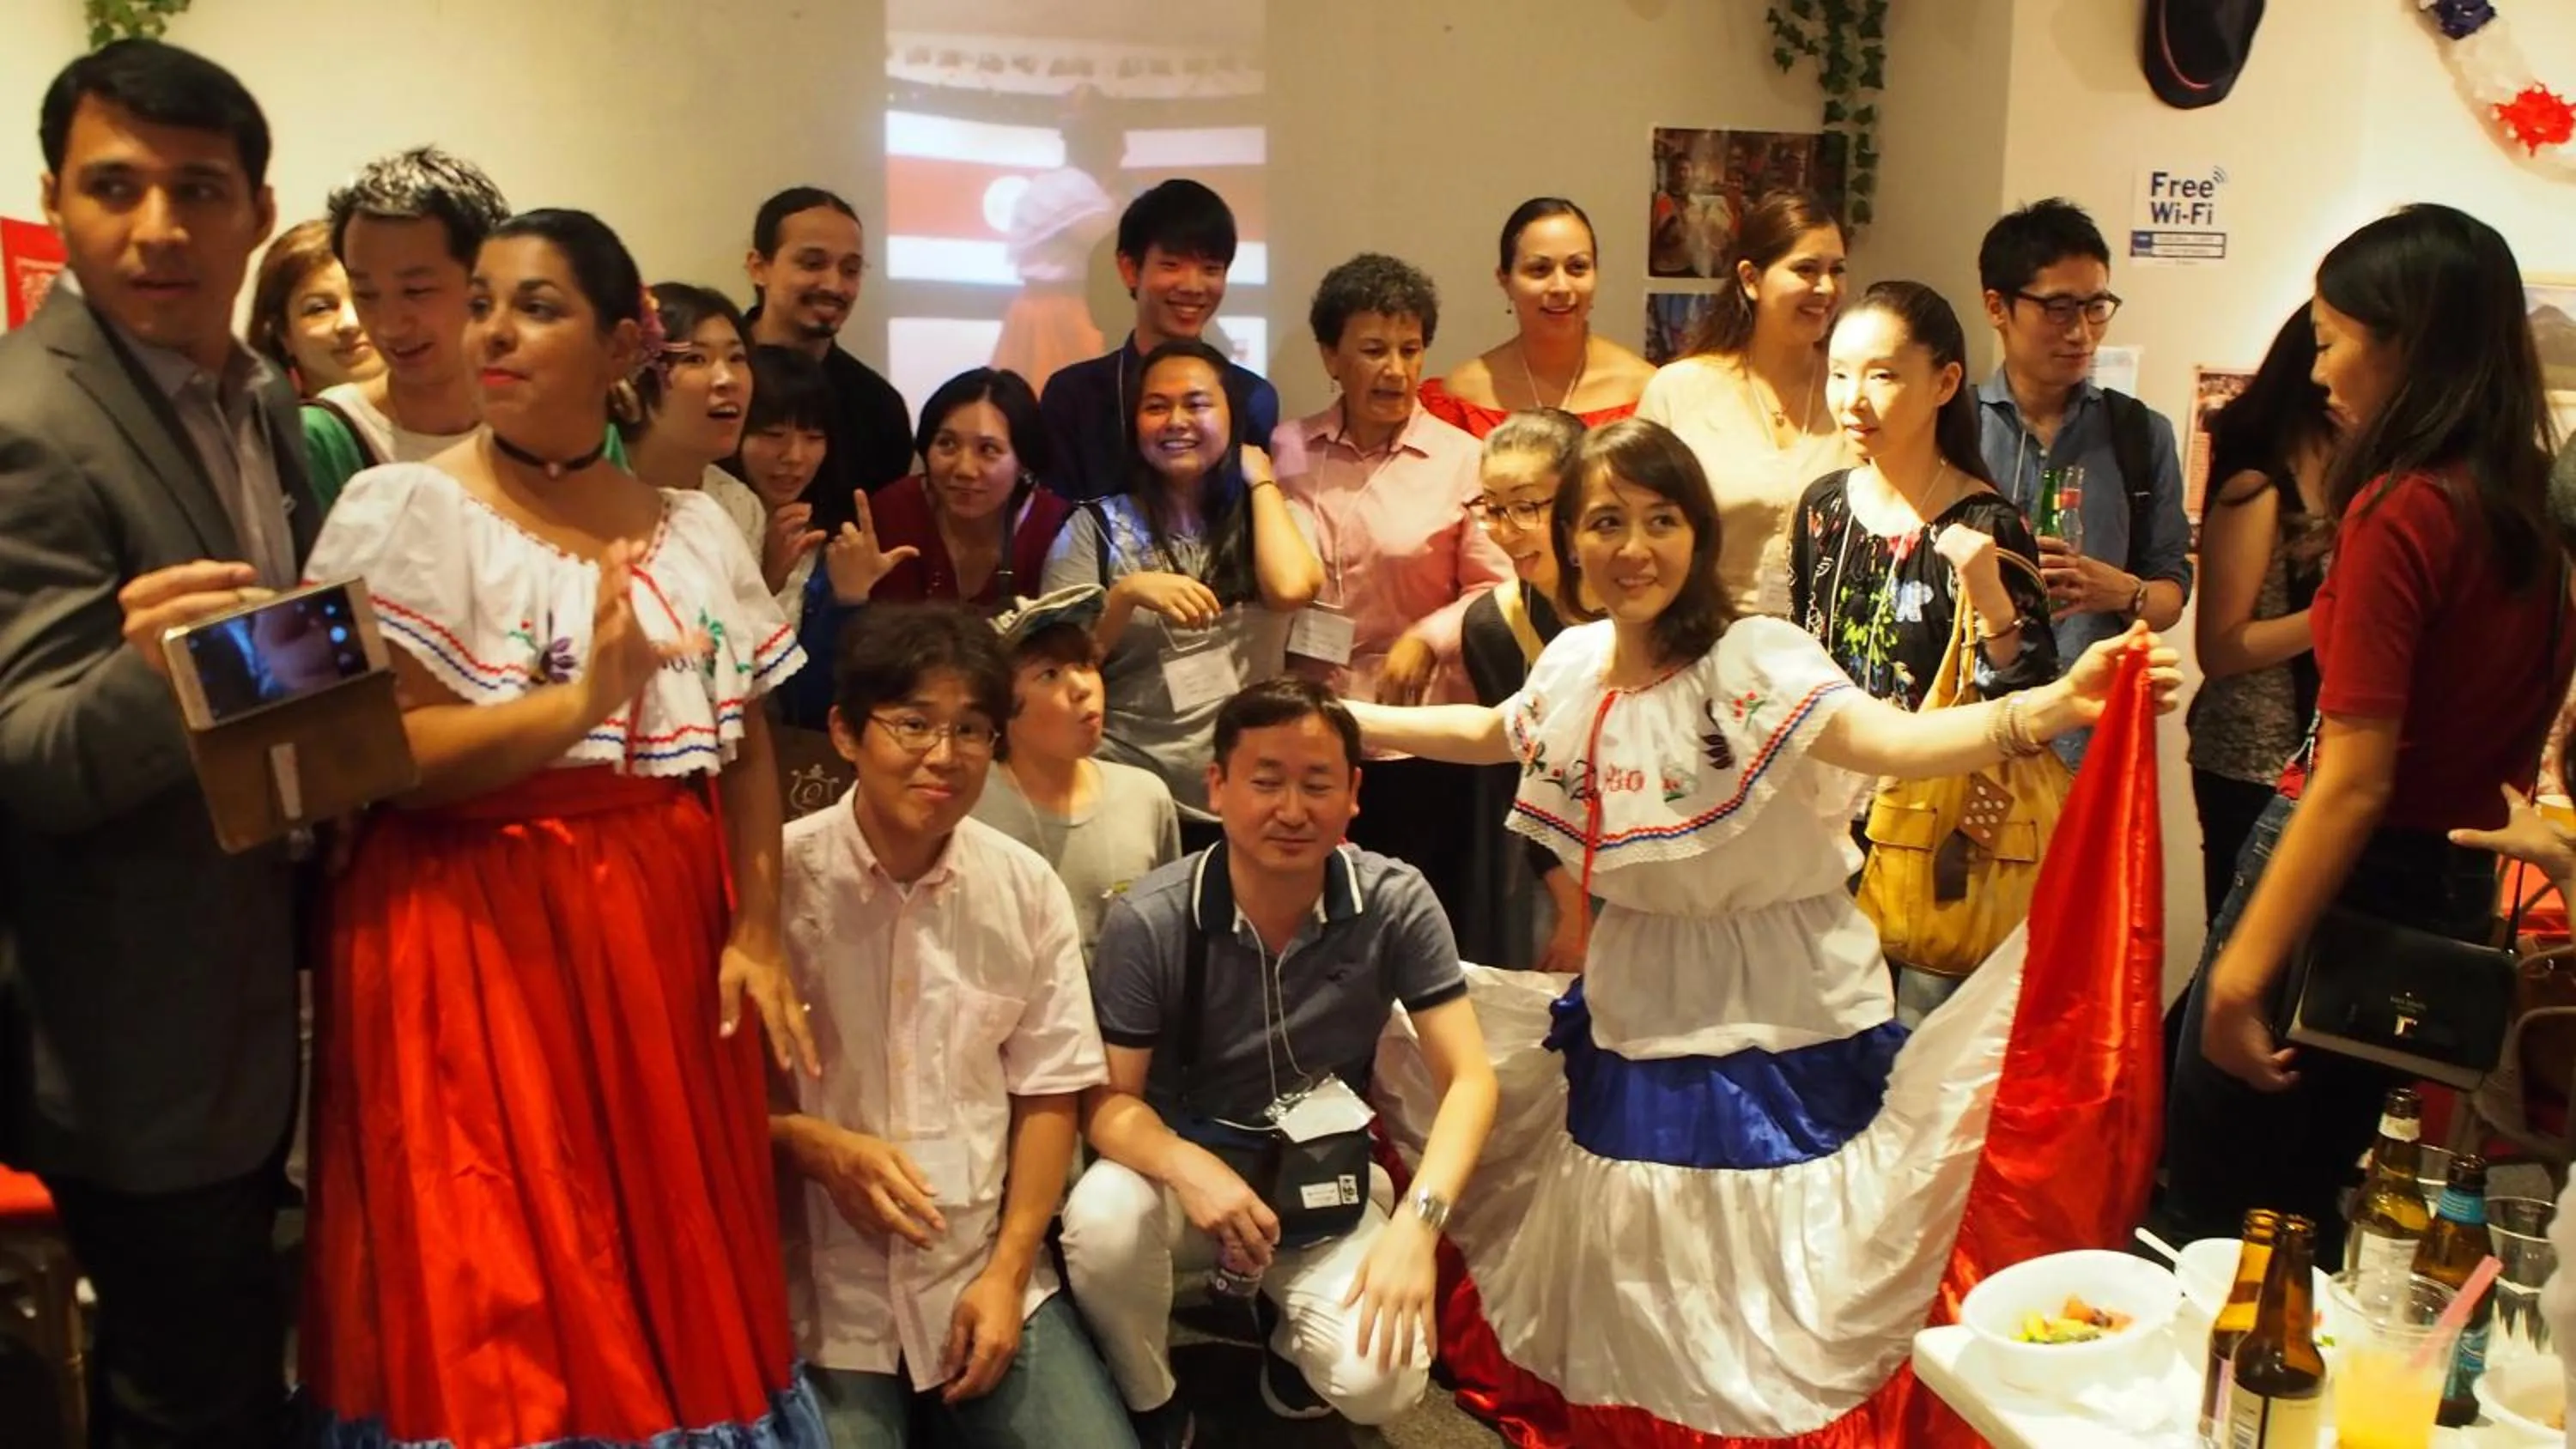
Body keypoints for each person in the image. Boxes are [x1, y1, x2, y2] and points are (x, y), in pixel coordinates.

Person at [1345, 417, 2181, 1444]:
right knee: (1647, 1222)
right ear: (1570, 542)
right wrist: (1356, 721)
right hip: (1641, 988)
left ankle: (1758, 1416)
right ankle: (1658, 1409)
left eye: (1660, 518)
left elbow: (1889, 739)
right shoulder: (1573, 663)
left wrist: (2046, 705)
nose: (1634, 546)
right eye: (1605, 521)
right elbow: (1491, 730)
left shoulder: (1754, 656)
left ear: (1697, 533)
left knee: (1790, 1233)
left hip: (1787, 998)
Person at [295, 208, 825, 1446]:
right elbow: (391, 765)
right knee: (493, 1256)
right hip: (461, 920)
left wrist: (755, 926)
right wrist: (575, 701)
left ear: (623, 341)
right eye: (483, 301)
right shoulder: (404, 512)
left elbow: (742, 741)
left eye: (536, 307)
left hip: (655, 915)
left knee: (659, 1234)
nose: (493, 331)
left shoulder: (694, 524)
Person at [0, 39, 313, 1443]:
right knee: (185, 1400)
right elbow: (31, 756)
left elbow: (273, 663)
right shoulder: (28, 423)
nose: (159, 228)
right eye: (113, 187)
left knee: (248, 1366)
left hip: (270, 976)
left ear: (255, 208)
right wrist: (155, 677)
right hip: (138, 1024)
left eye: (198, 189)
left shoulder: (253, 400)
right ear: (55, 199)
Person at [2164, 204, 2576, 1251]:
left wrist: (2242, 977)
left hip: (2342, 877)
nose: (2319, 366)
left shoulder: (2402, 504)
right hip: (2453, 886)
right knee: (2329, 1187)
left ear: (2405, 344)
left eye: (2336, 337)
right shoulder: (2526, 497)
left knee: (2216, 1203)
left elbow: (2353, 777)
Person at [1060, 677, 1499, 1447]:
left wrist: (1418, 1231)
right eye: (1265, 781)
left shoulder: (1395, 901)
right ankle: (1152, 1393)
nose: (1292, 810)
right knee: (1100, 1221)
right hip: (1187, 1185)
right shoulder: (1153, 919)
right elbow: (1107, 1104)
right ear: (1218, 787)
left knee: (1383, 1377)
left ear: (1354, 793)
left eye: (1316, 783)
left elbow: (1470, 1079)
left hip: (1322, 1181)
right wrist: (1189, 1167)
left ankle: (1292, 1356)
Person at [770, 603, 1136, 1448]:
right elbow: (701, 1096)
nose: (944, 754)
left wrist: (1009, 1273)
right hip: (823, 1297)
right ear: (844, 732)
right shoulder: (778, 882)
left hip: (977, 1271)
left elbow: (1048, 1091)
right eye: (913, 723)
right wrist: (803, 1140)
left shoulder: (1022, 887)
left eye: (971, 727)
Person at [1271, 252, 1511, 955]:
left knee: (1414, 931)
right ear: (1330, 356)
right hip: (1311, 725)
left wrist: (1429, 636)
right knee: (1317, 934)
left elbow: (1497, 590)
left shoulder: (1465, 460)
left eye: (1411, 350)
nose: (1397, 370)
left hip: (1420, 736)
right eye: (1374, 350)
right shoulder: (1288, 448)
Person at [1040, 338, 1322, 842]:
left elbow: (1290, 587)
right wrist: (1126, 595)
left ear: (1232, 416)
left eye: (1196, 404)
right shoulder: (1093, 527)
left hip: (1254, 797)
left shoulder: (1274, 513)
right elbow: (1057, 672)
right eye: (1156, 407)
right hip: (1126, 792)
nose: (1175, 421)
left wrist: (1260, 481)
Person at [1974, 197, 2194, 764]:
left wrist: (2124, 592)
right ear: (1997, 306)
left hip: (2094, 742)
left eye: (2096, 307)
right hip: (1970, 732)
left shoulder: (2140, 435)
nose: (2081, 333)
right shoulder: (1952, 430)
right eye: (2058, 308)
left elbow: (2170, 587)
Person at [1791, 280, 2055, 713]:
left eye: (1882, 376)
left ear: (1945, 383)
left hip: (1936, 776)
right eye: (1839, 374)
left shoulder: (1986, 524)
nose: (1852, 399)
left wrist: (1991, 601)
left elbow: (2026, 707)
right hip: (1830, 772)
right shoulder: (1824, 506)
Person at [780, 368, 1072, 731]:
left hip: (1016, 727)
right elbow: (841, 677)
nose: (964, 469)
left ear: (1024, 463)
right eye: (947, 444)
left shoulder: (1057, 527)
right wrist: (848, 599)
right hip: (903, 722)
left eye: (989, 450)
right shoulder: (892, 512)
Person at [1636, 189, 1854, 618]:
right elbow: (1642, 531)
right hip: (1703, 644)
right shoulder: (1681, 390)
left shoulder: (1854, 393)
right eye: (1806, 269)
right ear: (1751, 279)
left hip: (1825, 655)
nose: (1826, 288)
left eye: (1838, 270)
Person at [2186, 306, 2336, 925]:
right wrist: (2338, 614)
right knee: (2238, 957)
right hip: (2250, 763)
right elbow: (2219, 648)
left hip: (2310, 760)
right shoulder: (2257, 486)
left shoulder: (2350, 473)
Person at [970, 586, 1181, 967]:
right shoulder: (967, 803)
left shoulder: (1145, 795)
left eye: (1085, 664)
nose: (1083, 688)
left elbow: (1166, 941)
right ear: (1001, 703)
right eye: (1049, 674)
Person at [1042, 179, 1281, 502]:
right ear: (1130, 270)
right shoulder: (1074, 395)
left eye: (1211, 268)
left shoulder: (1251, 398)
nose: (1193, 286)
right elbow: (1057, 529)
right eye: (1172, 265)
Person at [306, 145, 515, 510]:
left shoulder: (548, 414)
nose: (389, 326)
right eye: (366, 293)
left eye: (416, 291)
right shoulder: (325, 439)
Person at [1457, 410, 1591, 973]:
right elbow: (1512, 772)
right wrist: (1572, 904)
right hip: (1552, 860)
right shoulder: (1495, 623)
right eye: (1492, 506)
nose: (1505, 529)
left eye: (1527, 506)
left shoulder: (1641, 601)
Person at [744, 185, 913, 528]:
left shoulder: (879, 408)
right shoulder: (712, 382)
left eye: (850, 270)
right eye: (812, 264)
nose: (835, 286)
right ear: (759, 267)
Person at [1419, 198, 1656, 436]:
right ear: (1505, 280)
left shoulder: (1648, 390)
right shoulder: (1459, 397)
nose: (1561, 287)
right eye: (1539, 270)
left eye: (1577, 267)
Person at [623, 282, 767, 553]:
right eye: (695, 359)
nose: (727, 379)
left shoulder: (738, 506)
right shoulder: (589, 492)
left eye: (737, 357)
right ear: (638, 376)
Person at [728, 343, 837, 617]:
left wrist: (850, 597)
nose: (795, 457)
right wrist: (769, 577)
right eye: (773, 434)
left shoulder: (827, 532)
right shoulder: (708, 518)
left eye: (813, 437)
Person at [246, 217, 380, 397]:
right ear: (282, 334)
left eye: (366, 296)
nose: (350, 323)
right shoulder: (265, 425)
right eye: (320, 309)